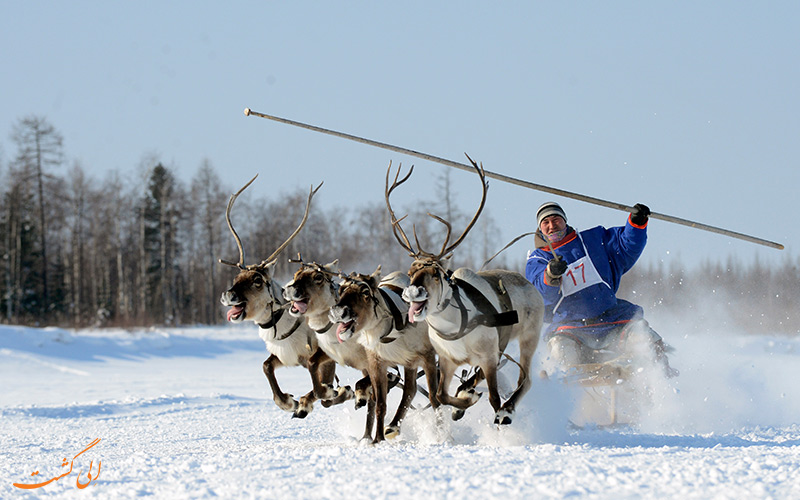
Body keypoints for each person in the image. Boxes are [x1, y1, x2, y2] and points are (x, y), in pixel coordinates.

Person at [525, 201, 678, 378]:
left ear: (565, 221)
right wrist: (550, 276)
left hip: (613, 320)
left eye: (556, 219)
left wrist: (636, 223)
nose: (552, 226)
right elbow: (539, 294)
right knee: (561, 354)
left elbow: (625, 245)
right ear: (540, 228)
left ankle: (661, 390)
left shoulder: (593, 240)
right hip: (569, 328)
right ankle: (566, 395)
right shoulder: (538, 259)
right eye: (546, 222)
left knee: (647, 342)